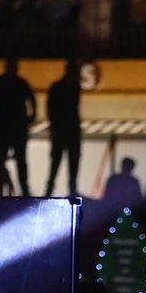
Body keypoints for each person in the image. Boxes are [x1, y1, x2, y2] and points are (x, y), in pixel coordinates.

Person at [0, 56, 36, 196]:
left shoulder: (11, 83)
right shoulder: (13, 83)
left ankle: (16, 189)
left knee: (13, 160)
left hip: (11, 128)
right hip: (8, 127)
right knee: (7, 159)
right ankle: (8, 189)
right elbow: (32, 102)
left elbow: (32, 102)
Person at [45, 59, 82, 197]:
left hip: (67, 129)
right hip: (64, 129)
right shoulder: (68, 87)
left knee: (64, 161)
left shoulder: (72, 87)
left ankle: (56, 189)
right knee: (59, 161)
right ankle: (55, 189)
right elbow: (52, 109)